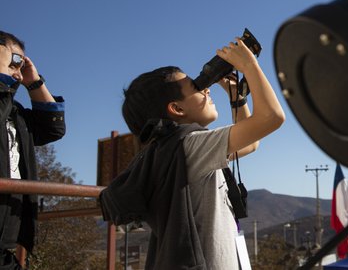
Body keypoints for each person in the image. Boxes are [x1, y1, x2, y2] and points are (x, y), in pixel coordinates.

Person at [100, 37, 285, 269]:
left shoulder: (171, 148)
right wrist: (249, 65)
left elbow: (250, 144)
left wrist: (236, 97)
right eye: (197, 87)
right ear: (176, 109)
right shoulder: (189, 144)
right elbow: (272, 118)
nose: (207, 89)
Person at [0, 31, 66, 269]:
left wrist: (34, 82)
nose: (17, 72)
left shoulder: (14, 112)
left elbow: (52, 129)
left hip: (7, 239)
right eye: (12, 63)